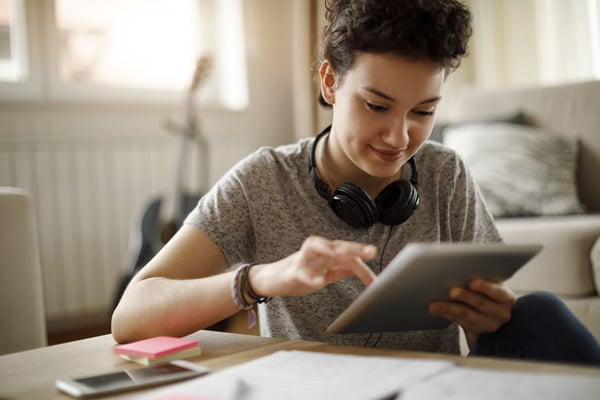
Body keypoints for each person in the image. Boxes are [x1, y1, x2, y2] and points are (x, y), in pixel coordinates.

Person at [112, 0, 600, 365]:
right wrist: (259, 279)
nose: (399, 136)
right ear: (330, 82)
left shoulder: (445, 173)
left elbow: (483, 346)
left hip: (429, 388)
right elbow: (130, 316)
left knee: (536, 311)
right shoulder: (261, 181)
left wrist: (490, 318)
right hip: (313, 389)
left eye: (424, 111)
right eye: (376, 105)